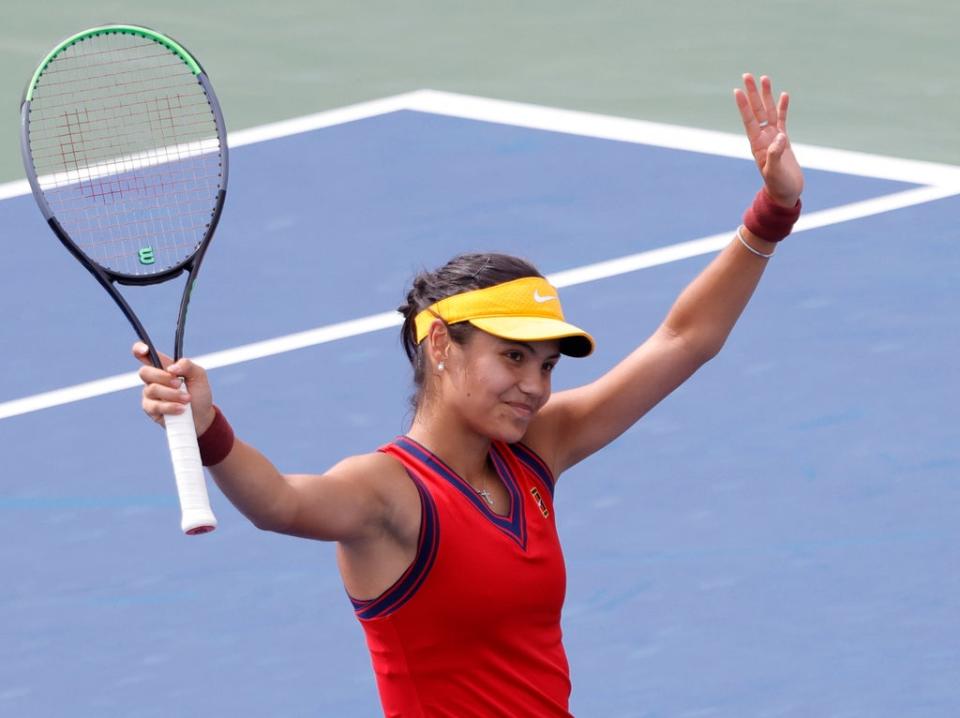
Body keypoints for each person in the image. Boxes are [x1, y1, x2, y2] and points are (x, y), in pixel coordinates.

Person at [136, 73, 804, 717]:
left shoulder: (537, 450)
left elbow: (683, 340)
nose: (534, 388)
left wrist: (771, 215)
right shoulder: (386, 492)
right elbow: (280, 503)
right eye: (512, 357)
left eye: (545, 366)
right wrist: (208, 426)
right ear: (440, 348)